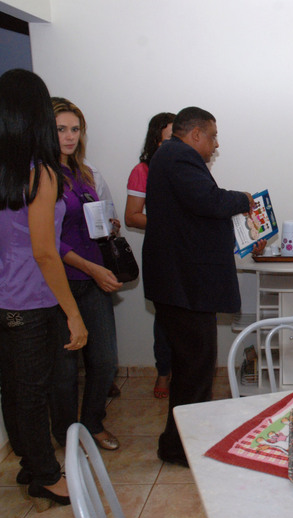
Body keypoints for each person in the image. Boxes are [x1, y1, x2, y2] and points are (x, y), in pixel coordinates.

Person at [0, 69, 87, 509]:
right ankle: (45, 475)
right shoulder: (41, 172)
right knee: (34, 390)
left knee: (14, 383)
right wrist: (73, 313)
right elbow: (45, 252)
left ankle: (28, 461)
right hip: (30, 297)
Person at [143, 106, 263, 466]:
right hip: (184, 284)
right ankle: (180, 447)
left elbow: (197, 207)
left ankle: (177, 441)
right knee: (195, 367)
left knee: (191, 367)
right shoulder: (179, 157)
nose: (216, 144)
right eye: (213, 136)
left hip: (182, 282)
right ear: (195, 134)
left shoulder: (171, 156)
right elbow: (208, 201)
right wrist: (243, 199)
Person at [48, 97, 121, 451]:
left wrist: (109, 223)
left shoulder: (84, 172)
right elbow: (48, 240)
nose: (69, 136)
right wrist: (92, 268)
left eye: (75, 129)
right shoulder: (41, 175)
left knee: (105, 360)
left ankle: (92, 423)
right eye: (61, 129)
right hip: (59, 283)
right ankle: (66, 434)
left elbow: (91, 220)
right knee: (64, 370)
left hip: (93, 279)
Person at [125, 112, 175, 399]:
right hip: (161, 253)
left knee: (188, 318)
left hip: (188, 253)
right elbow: (131, 216)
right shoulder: (142, 170)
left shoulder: (190, 169)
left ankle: (184, 372)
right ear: (156, 140)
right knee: (165, 318)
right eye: (169, 139)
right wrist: (169, 223)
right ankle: (163, 372)